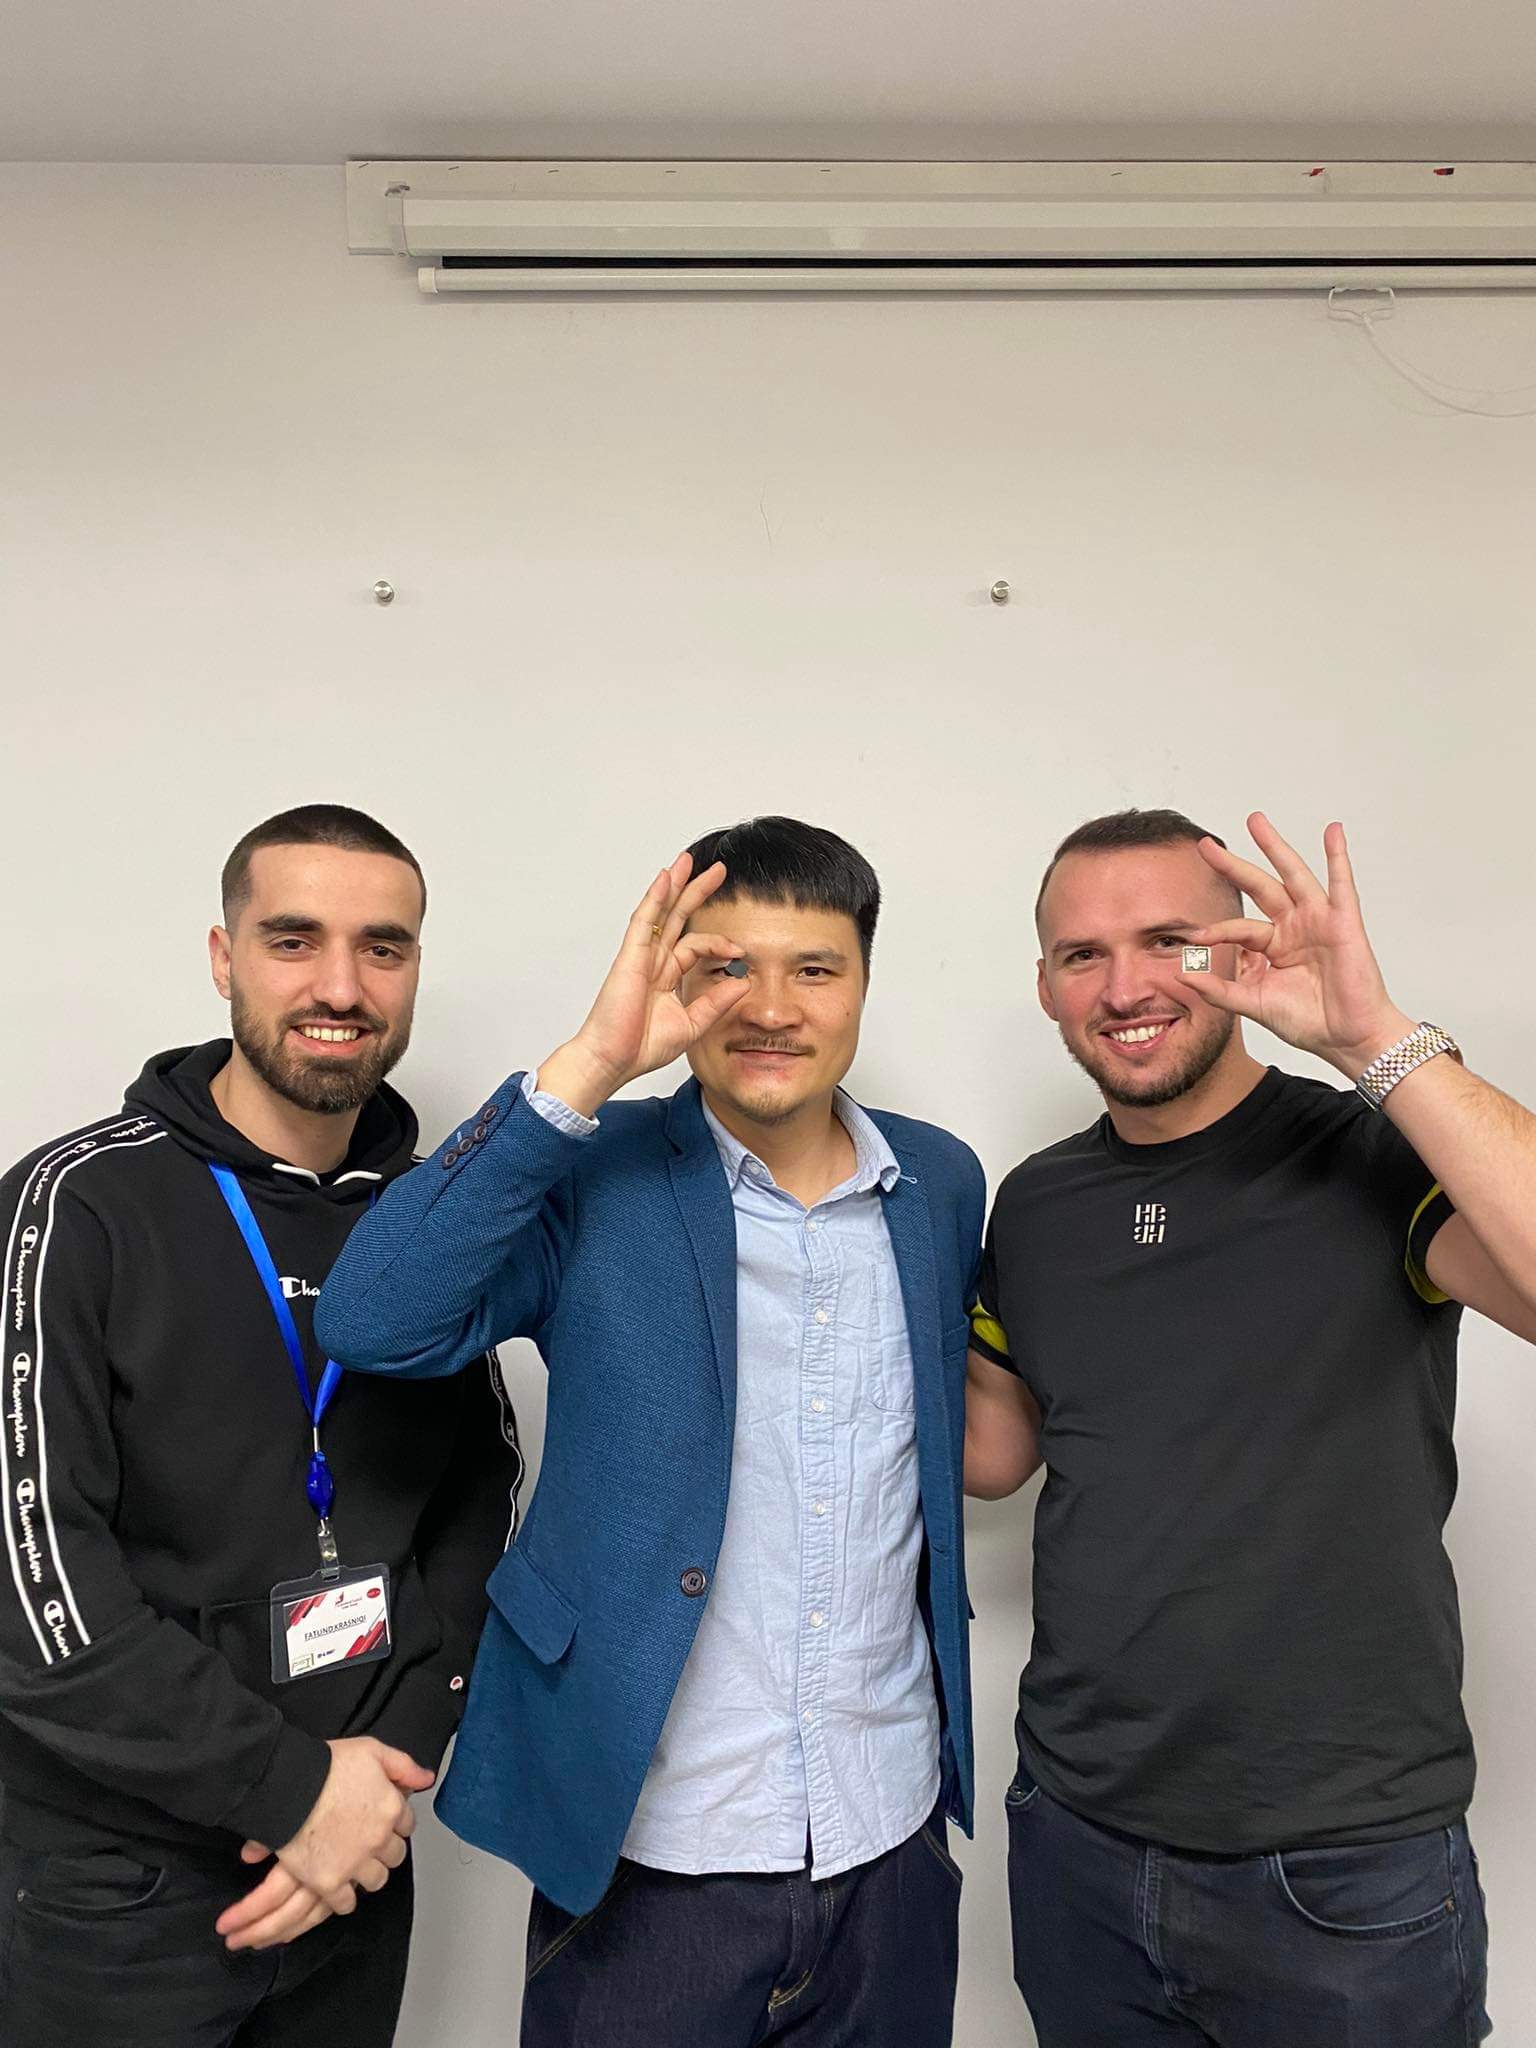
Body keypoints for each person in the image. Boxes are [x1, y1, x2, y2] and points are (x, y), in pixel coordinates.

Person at [318, 816, 985, 2048]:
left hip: (888, 1836)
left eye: (814, 968)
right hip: (650, 1846)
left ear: (863, 980)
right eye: (727, 966)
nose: (769, 1007)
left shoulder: (938, 1181)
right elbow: (376, 1319)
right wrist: (590, 1063)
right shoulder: (591, 1169)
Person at [964, 806, 1535, 2047]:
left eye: (1168, 940)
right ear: (1046, 983)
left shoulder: (1373, 1149)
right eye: (1082, 954)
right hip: (1078, 1835)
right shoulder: (1039, 1202)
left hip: (1342, 1864)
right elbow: (995, 1454)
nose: (1125, 988)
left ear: (1237, 949)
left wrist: (1375, 1039)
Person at [0, 804, 522, 2048]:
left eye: (383, 946)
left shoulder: (424, 1218)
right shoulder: (76, 1204)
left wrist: (389, 1756)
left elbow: (480, 1491)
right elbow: (30, 1582)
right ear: (223, 955)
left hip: (355, 1854)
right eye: (294, 939)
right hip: (118, 1888)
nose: (341, 985)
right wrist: (290, 1790)